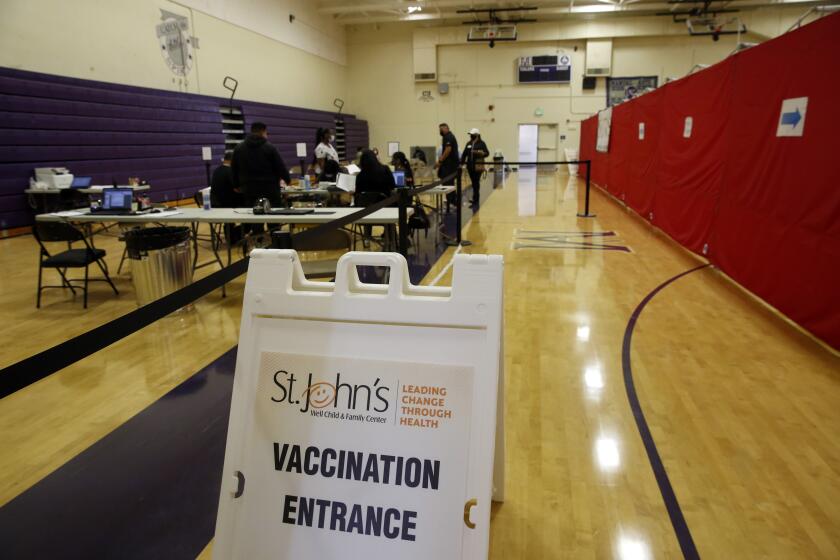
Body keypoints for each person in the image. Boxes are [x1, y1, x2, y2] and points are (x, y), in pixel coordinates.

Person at [231, 121, 290, 208]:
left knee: (253, 215)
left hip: (249, 188)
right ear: (263, 132)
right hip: (270, 188)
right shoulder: (270, 147)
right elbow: (280, 166)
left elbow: (234, 168)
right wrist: (287, 179)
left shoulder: (239, 148)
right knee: (274, 215)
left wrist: (235, 184)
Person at [355, 149, 396, 245]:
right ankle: (390, 237)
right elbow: (392, 186)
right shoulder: (385, 169)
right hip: (385, 210)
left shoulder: (360, 176)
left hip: (366, 213)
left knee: (368, 206)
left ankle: (367, 238)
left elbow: (358, 193)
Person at [461, 128, 489, 205]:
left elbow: (487, 153)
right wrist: (461, 163)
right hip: (470, 166)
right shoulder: (468, 143)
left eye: (472, 134)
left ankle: (475, 198)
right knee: (473, 182)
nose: (471, 136)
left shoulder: (482, 143)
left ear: (477, 135)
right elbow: (464, 154)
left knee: (476, 182)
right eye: (470, 134)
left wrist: (480, 153)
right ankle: (475, 197)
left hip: (478, 166)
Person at [435, 123, 459, 204]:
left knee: (447, 183)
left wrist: (440, 161)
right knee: (449, 183)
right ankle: (452, 200)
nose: (440, 131)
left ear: (446, 128)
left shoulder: (448, 136)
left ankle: (451, 201)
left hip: (450, 166)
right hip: (450, 165)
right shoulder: (448, 136)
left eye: (441, 129)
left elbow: (448, 150)